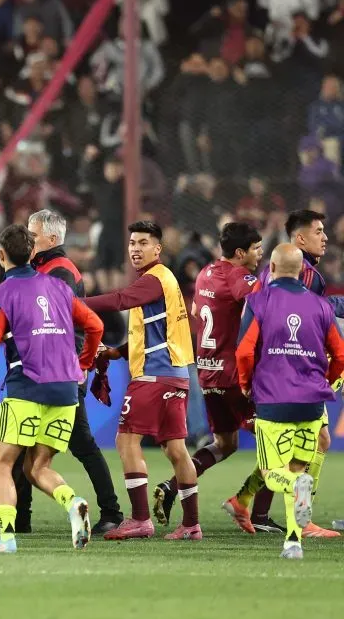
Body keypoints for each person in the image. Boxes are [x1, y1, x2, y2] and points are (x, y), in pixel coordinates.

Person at [0, 224, 104, 553]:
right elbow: (95, 325)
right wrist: (83, 363)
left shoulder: (2, 293)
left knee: (4, 465)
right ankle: (73, 503)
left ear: (1, 255)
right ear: (31, 253)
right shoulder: (58, 287)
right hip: (64, 392)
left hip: (26, 387)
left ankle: (6, 538)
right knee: (38, 467)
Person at [85, 221, 201, 541]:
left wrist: (73, 304)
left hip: (154, 376)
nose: (135, 248)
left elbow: (120, 300)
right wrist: (117, 353)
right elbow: (155, 332)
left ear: (157, 248)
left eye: (143, 243)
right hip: (175, 376)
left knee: (126, 441)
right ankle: (191, 524)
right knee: (176, 449)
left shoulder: (154, 279)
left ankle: (139, 519)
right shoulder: (162, 281)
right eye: (132, 243)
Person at [232, 209, 342, 537]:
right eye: (319, 231)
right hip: (297, 374)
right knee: (313, 444)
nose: (325, 237)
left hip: (272, 377)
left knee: (285, 454)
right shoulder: (305, 275)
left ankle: (244, 500)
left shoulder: (273, 278)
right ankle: (302, 521)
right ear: (300, 239)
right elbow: (313, 317)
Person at [150, 222, 262, 529]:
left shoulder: (206, 272)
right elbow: (262, 305)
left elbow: (200, 310)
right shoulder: (241, 277)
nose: (260, 253)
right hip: (233, 375)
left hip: (208, 372)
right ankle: (254, 508)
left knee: (226, 443)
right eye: (256, 248)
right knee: (278, 442)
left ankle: (172, 486)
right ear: (240, 253)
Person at [23, 209, 124, 535]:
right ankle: (19, 518)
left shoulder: (60, 271)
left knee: (82, 444)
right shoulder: (43, 268)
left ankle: (112, 512)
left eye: (33, 235)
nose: (28, 240)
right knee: (23, 445)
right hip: (48, 370)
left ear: (52, 239)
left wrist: (80, 366)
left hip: (61, 370)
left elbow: (56, 321)